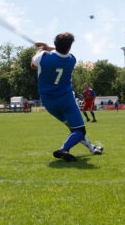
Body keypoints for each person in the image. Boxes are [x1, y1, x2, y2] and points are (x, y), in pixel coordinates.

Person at [31, 32, 103, 162]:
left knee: (73, 129)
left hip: (49, 102)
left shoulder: (43, 57)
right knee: (79, 130)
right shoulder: (72, 59)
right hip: (66, 100)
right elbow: (64, 52)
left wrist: (41, 49)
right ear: (69, 47)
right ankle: (64, 148)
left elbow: (33, 64)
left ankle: (92, 148)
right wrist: (47, 46)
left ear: (55, 44)